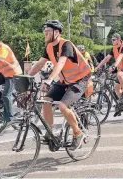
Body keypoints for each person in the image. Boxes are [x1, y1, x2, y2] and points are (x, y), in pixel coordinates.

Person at [29, 20, 91, 149]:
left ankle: (77, 133)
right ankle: (50, 132)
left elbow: (61, 63)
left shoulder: (66, 45)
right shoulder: (49, 47)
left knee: (63, 106)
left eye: (48, 32)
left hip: (80, 79)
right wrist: (26, 77)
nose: (45, 34)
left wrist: (50, 79)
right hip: (65, 80)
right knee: (45, 101)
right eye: (44, 31)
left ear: (56, 32)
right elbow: (39, 64)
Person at [95, 33, 123, 111]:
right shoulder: (114, 48)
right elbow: (107, 58)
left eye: (113, 40)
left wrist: (114, 66)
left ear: (118, 40)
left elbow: (120, 57)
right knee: (116, 89)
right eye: (112, 40)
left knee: (120, 75)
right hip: (121, 68)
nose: (112, 41)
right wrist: (98, 66)